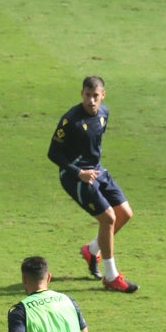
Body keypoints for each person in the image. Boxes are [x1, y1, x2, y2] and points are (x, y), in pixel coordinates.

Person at [47, 75, 138, 293]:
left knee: (125, 213)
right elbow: (53, 153)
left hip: (97, 170)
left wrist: (93, 170)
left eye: (95, 96)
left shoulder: (104, 114)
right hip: (75, 177)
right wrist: (78, 172)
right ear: (82, 94)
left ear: (102, 95)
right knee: (108, 218)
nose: (91, 101)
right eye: (87, 96)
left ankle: (92, 249)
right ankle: (111, 276)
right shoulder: (71, 120)